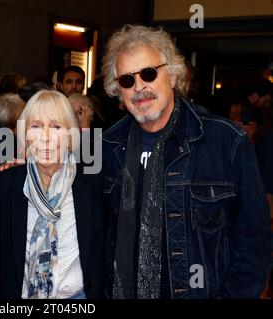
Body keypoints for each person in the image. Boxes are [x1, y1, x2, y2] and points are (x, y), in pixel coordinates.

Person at [101, 25, 271, 299]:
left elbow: (254, 243)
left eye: (148, 73)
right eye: (127, 80)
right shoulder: (107, 148)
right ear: (118, 91)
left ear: (172, 76)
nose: (139, 87)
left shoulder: (226, 141)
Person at [0, 90, 106, 299]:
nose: (45, 138)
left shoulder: (91, 184)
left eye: (56, 127)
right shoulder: (5, 186)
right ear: (24, 135)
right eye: (35, 127)